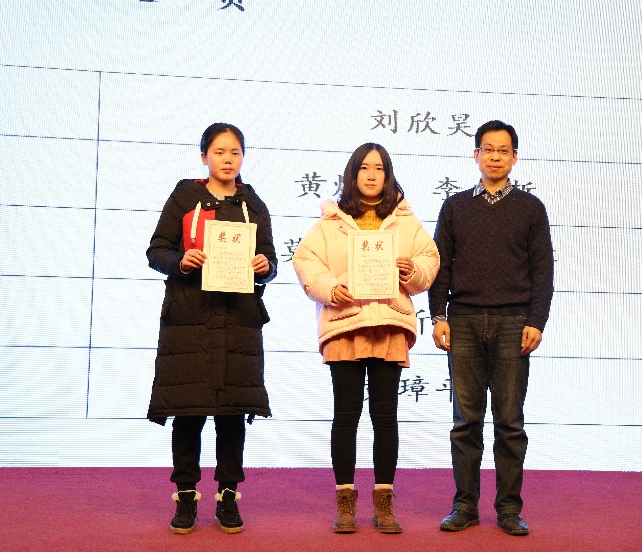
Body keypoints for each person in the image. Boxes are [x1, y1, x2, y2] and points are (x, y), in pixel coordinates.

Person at [292, 143, 439, 534]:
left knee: (385, 418)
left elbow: (430, 259)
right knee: (346, 416)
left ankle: (384, 503)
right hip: (346, 325)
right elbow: (306, 261)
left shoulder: (405, 221)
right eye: (364, 168)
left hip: (389, 325)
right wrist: (330, 288)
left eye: (379, 168)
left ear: (387, 175)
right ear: (352, 173)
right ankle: (345, 502)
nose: (372, 175)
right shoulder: (331, 222)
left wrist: (412, 269)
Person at [146, 122, 277, 535]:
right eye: (219, 152)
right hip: (190, 320)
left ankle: (228, 496)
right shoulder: (185, 197)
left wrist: (265, 266)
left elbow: (270, 259)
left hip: (238, 322)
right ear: (204, 156)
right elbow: (156, 251)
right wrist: (180, 261)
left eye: (235, 152)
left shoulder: (253, 203)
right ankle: (186, 496)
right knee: (188, 413)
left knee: (232, 414)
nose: (228, 159)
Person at [429, 120, 554, 536]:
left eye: (503, 150)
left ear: (514, 157)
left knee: (510, 423)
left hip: (513, 323)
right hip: (463, 321)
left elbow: (543, 270)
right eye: (488, 149)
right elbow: (441, 265)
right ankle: (464, 506)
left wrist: (536, 321)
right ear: (476, 155)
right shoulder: (455, 207)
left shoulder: (531, 208)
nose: (495, 157)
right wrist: (439, 316)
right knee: (465, 422)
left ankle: (509, 510)